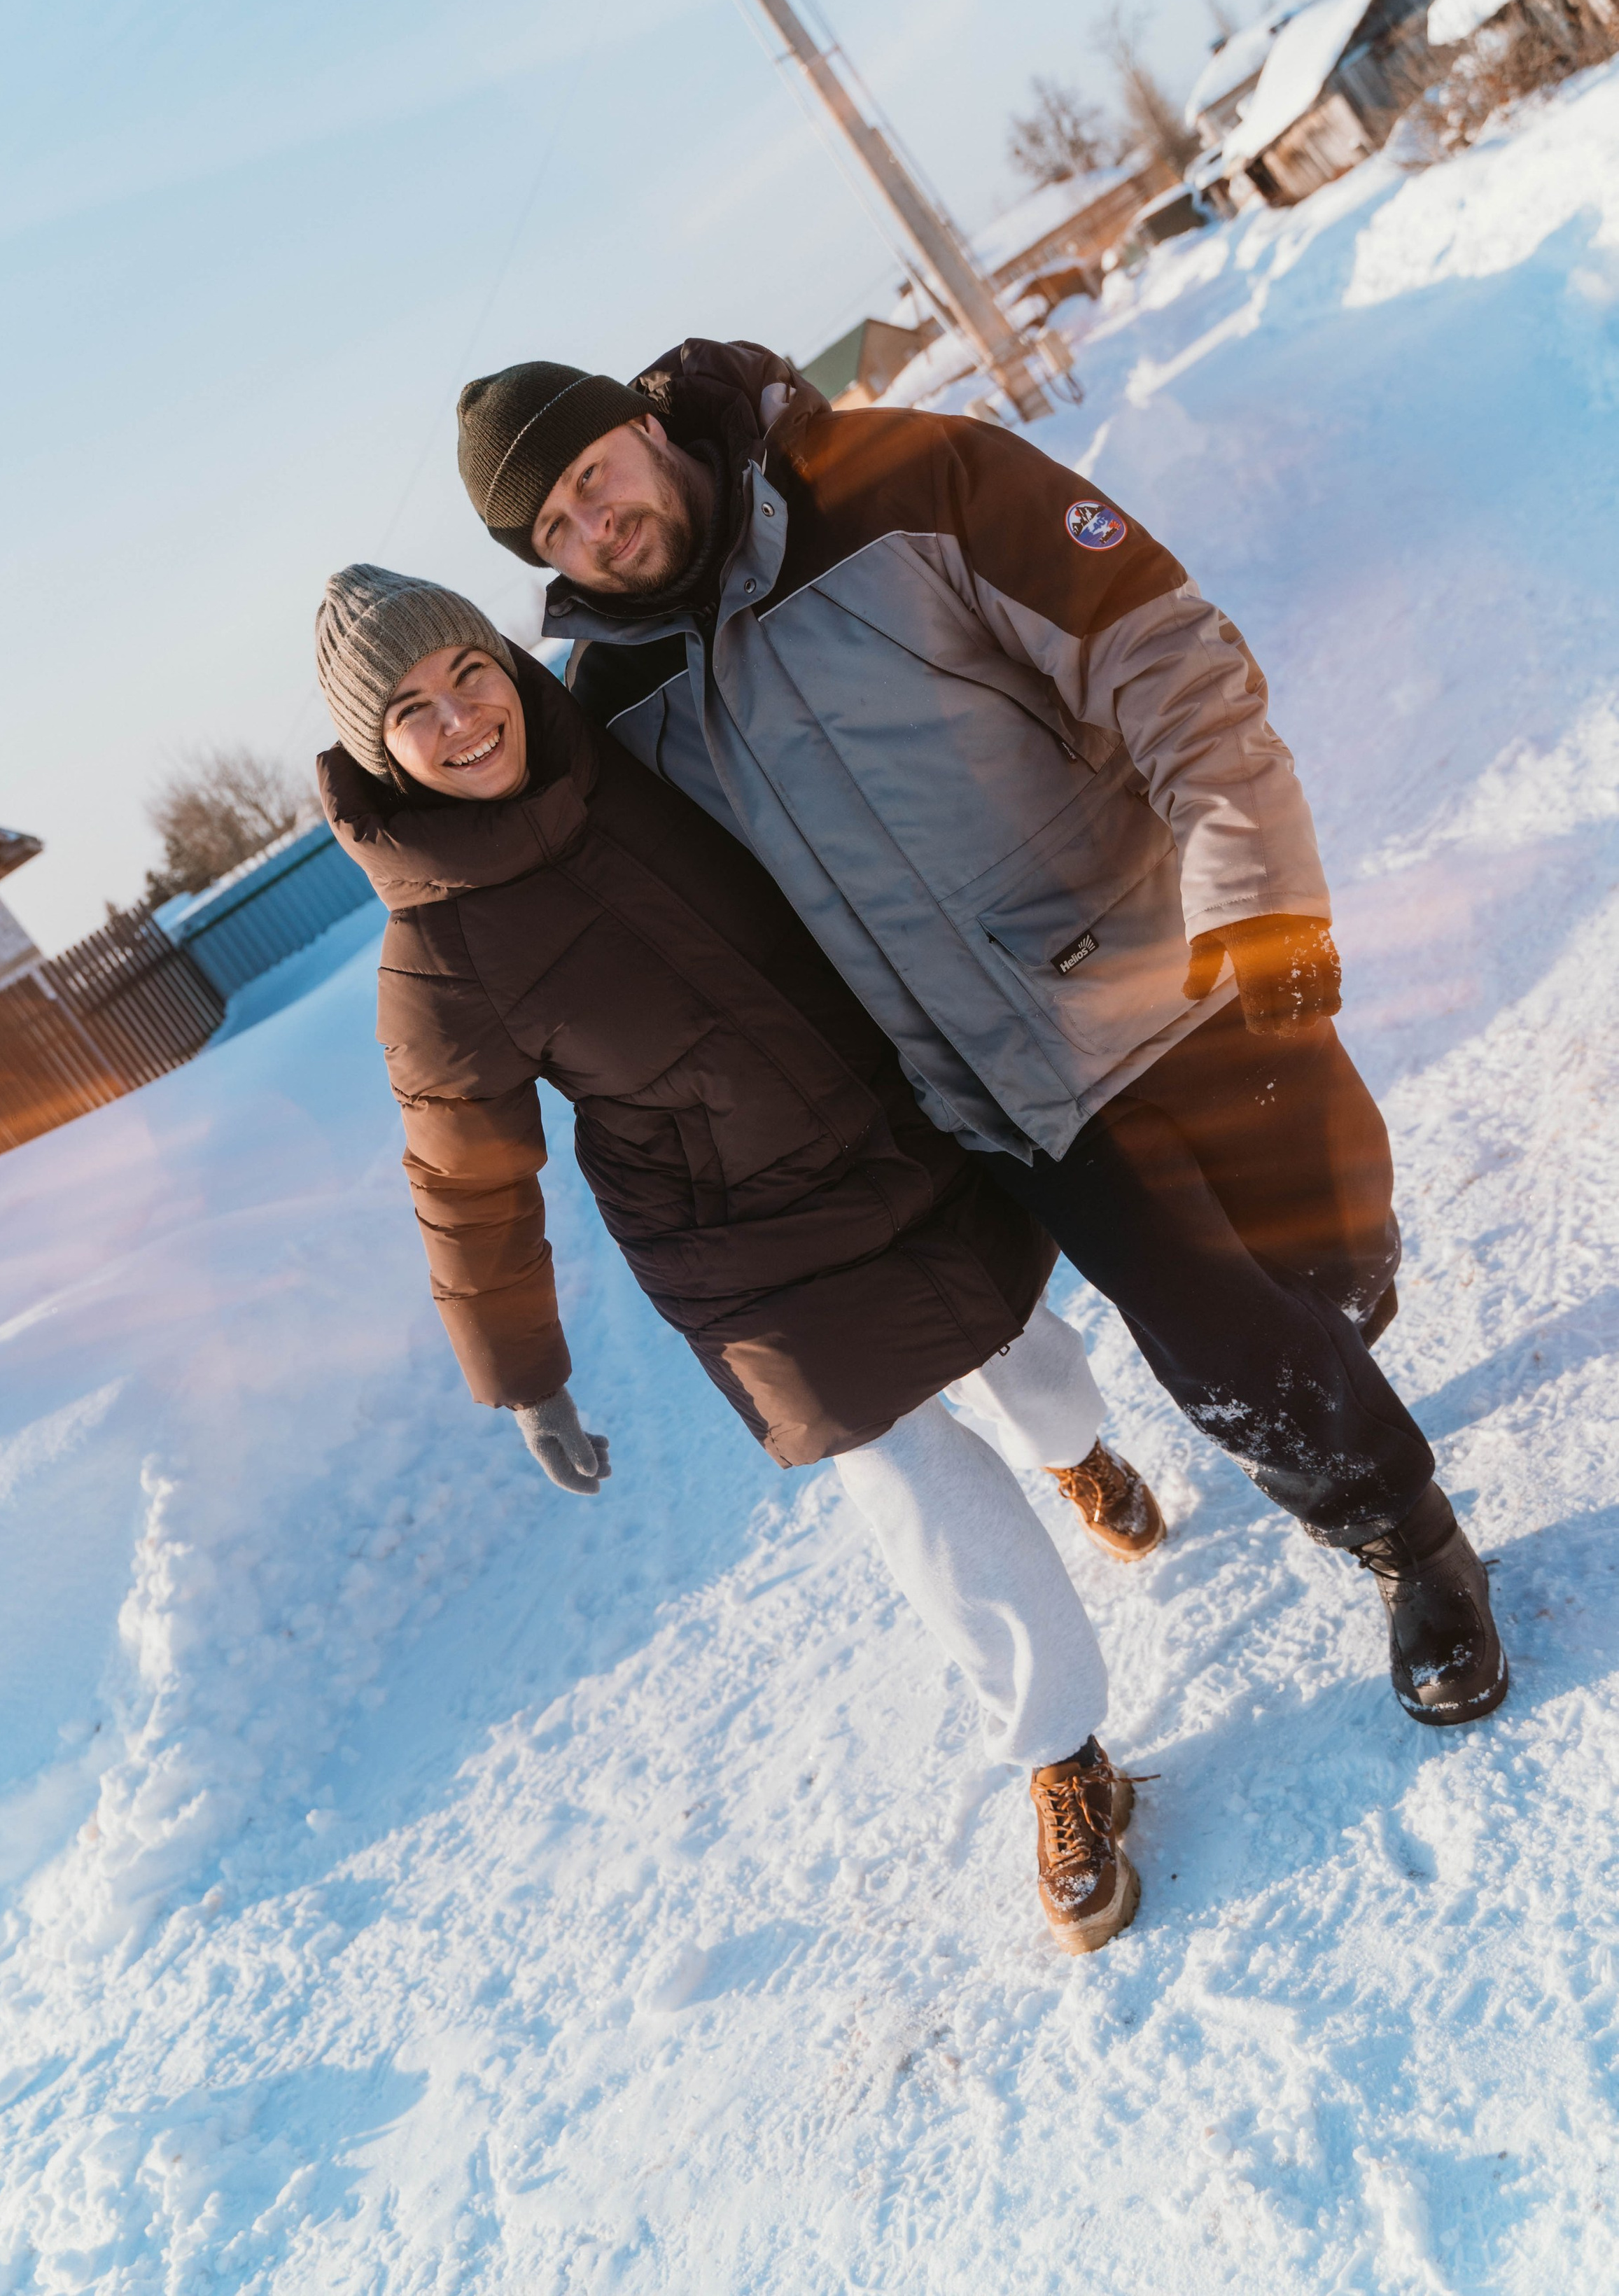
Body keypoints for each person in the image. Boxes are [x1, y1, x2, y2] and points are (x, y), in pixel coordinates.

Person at [451, 340, 1508, 1729]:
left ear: (645, 426)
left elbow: (1153, 641)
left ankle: (1338, 1329)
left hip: (1181, 962)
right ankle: (1403, 1543)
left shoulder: (895, 480)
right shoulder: (615, 709)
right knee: (1221, 1346)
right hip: (1017, 1088)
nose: (597, 528)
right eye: (555, 530)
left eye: (594, 478)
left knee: (1335, 1247)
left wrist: (1252, 890)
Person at [314, 564, 1169, 1953]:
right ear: (375, 754)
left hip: (887, 1113)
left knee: (1023, 1351)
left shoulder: (632, 748)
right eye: (409, 710)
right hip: (737, 1242)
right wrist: (523, 1374)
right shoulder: (433, 963)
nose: (460, 717)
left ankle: (1077, 1455)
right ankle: (1060, 1752)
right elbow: (463, 1183)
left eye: (466, 669)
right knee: (898, 1472)